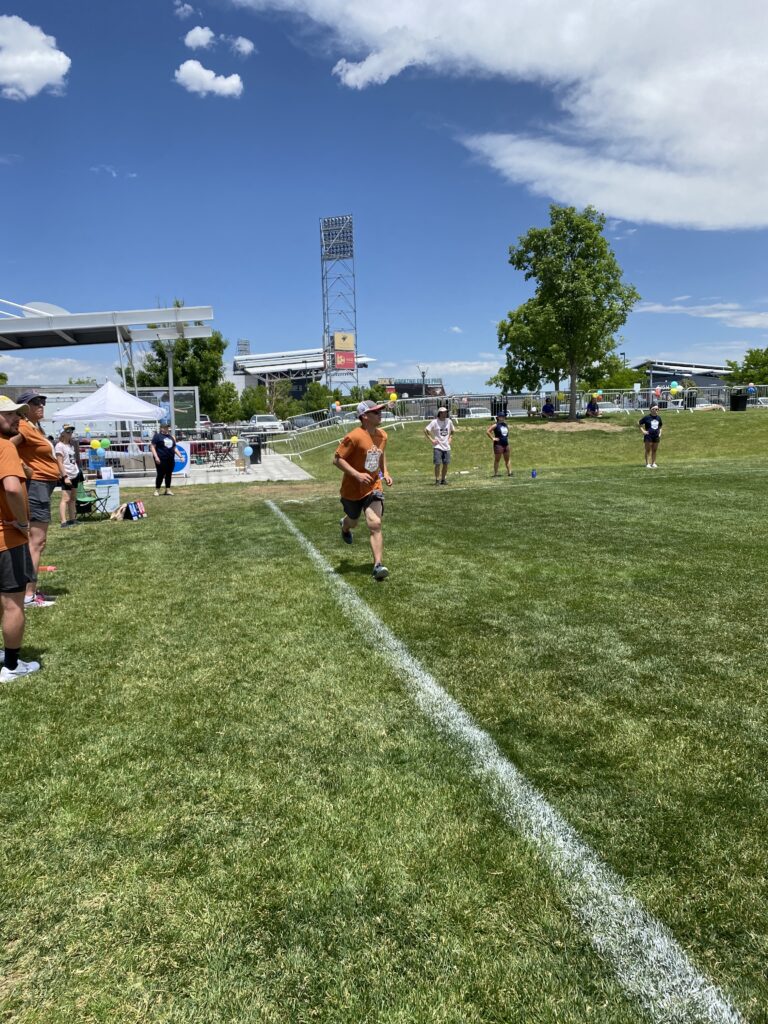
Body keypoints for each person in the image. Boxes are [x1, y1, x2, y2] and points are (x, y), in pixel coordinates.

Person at [0, 396, 41, 681]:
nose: (17, 419)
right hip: (7, 539)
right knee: (12, 603)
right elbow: (13, 490)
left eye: (18, 413)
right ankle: (12, 666)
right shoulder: (4, 448)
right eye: (10, 414)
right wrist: (23, 522)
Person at [333, 400, 393, 581]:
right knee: (353, 521)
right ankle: (344, 526)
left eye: (380, 411)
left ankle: (377, 566)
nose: (379, 414)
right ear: (364, 416)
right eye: (375, 412)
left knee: (375, 523)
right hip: (352, 489)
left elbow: (381, 455)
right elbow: (337, 459)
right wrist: (357, 475)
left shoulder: (383, 435)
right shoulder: (354, 436)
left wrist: (385, 473)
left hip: (373, 485)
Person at [12, 390, 59, 608]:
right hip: (35, 487)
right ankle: (29, 595)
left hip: (42, 486)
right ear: (23, 408)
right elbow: (7, 446)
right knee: (37, 541)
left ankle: (30, 591)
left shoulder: (34, 427)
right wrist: (19, 466)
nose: (41, 405)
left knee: (37, 541)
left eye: (43, 401)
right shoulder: (22, 426)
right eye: (35, 402)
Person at [54, 425, 82, 529]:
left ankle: (72, 519)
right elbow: (59, 462)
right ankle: (63, 521)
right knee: (65, 498)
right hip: (66, 475)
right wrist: (65, 476)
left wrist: (77, 471)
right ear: (62, 433)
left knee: (73, 498)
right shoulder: (59, 446)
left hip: (74, 473)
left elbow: (72, 460)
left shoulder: (71, 445)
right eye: (68, 431)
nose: (70, 433)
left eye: (71, 431)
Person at [424, 406, 455, 484]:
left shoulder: (449, 421)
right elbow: (426, 430)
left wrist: (450, 437)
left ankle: (443, 479)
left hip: (447, 446)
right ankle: (437, 480)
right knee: (437, 464)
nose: (446, 413)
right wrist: (432, 440)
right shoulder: (434, 422)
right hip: (438, 446)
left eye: (446, 412)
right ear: (440, 413)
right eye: (444, 412)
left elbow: (453, 430)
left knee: (446, 464)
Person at [150, 423, 178, 495]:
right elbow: (152, 447)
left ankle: (167, 489)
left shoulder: (171, 437)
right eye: (165, 427)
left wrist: (180, 456)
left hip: (170, 458)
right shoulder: (157, 436)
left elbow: (174, 448)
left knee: (169, 474)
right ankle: (157, 490)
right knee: (160, 474)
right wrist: (156, 457)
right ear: (161, 428)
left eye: (167, 427)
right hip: (161, 458)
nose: (166, 429)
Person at [486, 411, 512, 477]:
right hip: (498, 444)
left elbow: (506, 434)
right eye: (501, 417)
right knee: (497, 459)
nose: (503, 418)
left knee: (507, 459)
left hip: (506, 444)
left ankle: (510, 473)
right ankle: (496, 474)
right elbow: (488, 431)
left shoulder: (505, 424)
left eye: (504, 417)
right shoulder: (495, 425)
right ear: (498, 417)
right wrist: (493, 438)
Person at [639, 404, 663, 468]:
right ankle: (647, 463)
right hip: (648, 436)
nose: (656, 410)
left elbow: (660, 426)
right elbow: (639, 423)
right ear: (650, 410)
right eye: (654, 409)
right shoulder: (647, 417)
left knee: (654, 450)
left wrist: (660, 433)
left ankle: (653, 463)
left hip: (656, 436)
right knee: (648, 450)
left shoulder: (659, 418)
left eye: (657, 409)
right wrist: (643, 431)